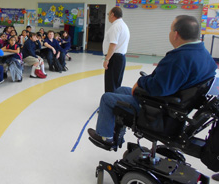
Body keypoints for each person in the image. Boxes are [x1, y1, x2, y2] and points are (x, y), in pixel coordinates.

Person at [88, 15, 217, 148]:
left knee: (107, 98)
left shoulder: (179, 58)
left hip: (158, 108)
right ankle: (115, 132)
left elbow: (159, 87)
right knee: (119, 90)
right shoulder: (204, 55)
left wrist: (141, 82)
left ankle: (106, 138)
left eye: (171, 30)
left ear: (176, 34)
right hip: (176, 103)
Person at [102, 7, 130, 93]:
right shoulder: (123, 25)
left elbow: (113, 44)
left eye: (108, 14)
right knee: (116, 83)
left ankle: (110, 103)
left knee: (111, 83)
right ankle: (114, 101)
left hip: (114, 58)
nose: (108, 16)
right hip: (119, 58)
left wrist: (107, 59)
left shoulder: (116, 27)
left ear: (112, 14)